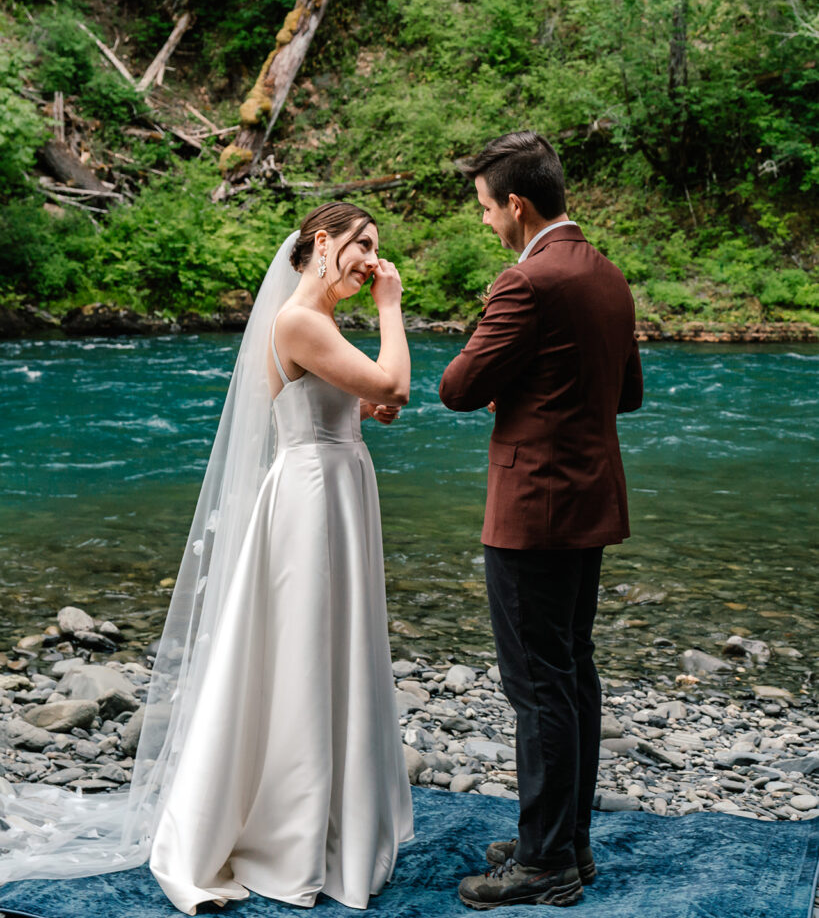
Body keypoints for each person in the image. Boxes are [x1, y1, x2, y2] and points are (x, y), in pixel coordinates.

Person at [0, 202, 414, 914]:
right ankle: (290, 828)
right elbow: (394, 385)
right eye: (361, 244)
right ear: (322, 243)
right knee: (305, 652)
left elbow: (359, 401)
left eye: (377, 250)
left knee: (333, 646)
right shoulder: (298, 320)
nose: (372, 260)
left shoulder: (317, 323)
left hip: (338, 490)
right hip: (311, 501)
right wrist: (391, 307)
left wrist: (363, 406)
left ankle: (331, 814)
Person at [439, 132, 643, 910]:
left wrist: (508, 388)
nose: (487, 223)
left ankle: (544, 863)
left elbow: (458, 386)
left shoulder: (525, 283)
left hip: (532, 508)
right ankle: (566, 842)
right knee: (570, 672)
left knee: (536, 687)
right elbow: (625, 396)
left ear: (517, 205)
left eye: (487, 210)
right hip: (590, 499)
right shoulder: (606, 275)